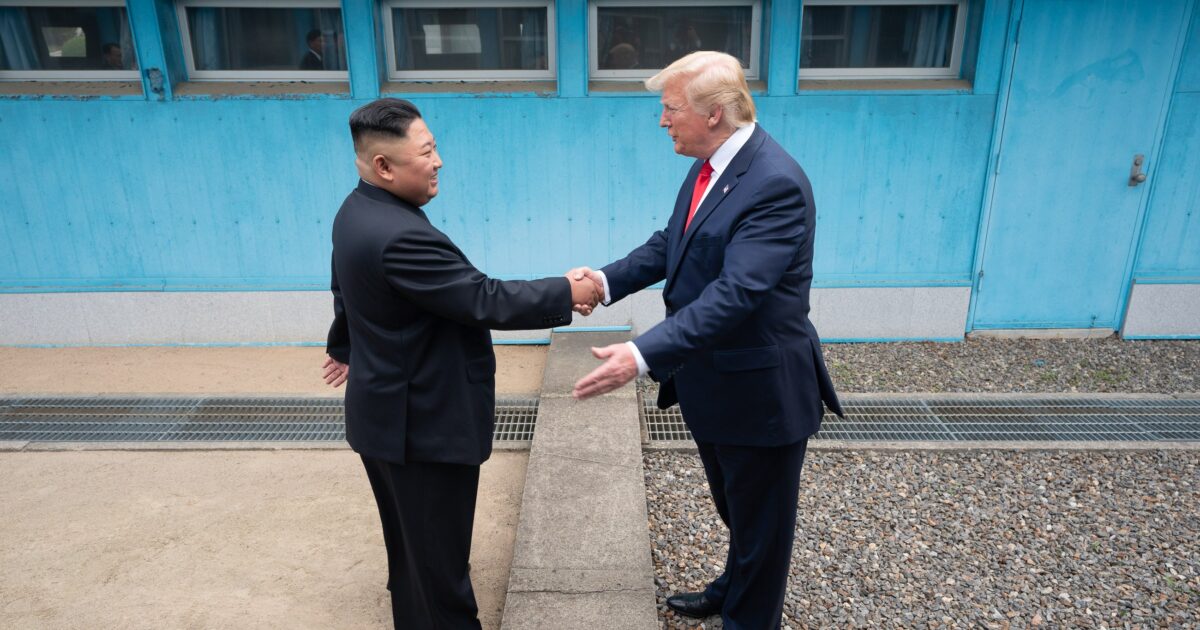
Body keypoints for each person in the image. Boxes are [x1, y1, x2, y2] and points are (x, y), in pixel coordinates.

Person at [570, 51, 844, 629]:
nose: (663, 121)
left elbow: (737, 292)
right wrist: (604, 280)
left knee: (763, 526)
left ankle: (749, 617)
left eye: (670, 110)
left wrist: (643, 354)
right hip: (717, 383)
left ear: (715, 114)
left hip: (759, 389)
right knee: (738, 509)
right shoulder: (713, 163)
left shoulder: (774, 183)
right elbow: (674, 240)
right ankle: (733, 585)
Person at [323, 98, 600, 629]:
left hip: (386, 420)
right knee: (442, 569)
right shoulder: (399, 234)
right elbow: (485, 298)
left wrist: (346, 347)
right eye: (426, 152)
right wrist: (571, 290)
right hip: (422, 428)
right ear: (383, 166)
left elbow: (345, 286)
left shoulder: (355, 212)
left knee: (413, 556)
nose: (439, 161)